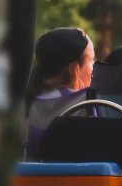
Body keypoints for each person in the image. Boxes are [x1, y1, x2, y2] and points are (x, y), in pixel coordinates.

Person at [23, 27, 95, 160]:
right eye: (91, 60)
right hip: (77, 178)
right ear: (74, 69)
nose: (94, 67)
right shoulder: (87, 103)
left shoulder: (27, 100)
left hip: (29, 178)